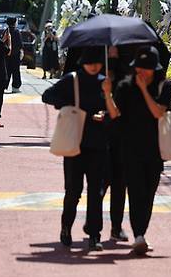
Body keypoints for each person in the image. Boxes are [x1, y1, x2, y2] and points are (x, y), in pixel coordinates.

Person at [42, 50, 114, 251]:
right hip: (75, 143)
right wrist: (72, 106)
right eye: (90, 63)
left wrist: (105, 112)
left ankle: (94, 234)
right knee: (73, 191)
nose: (94, 67)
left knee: (96, 192)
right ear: (83, 63)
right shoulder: (71, 79)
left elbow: (114, 113)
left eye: (97, 63)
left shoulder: (104, 82)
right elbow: (47, 96)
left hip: (99, 144)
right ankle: (66, 226)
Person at [104, 46, 171, 255]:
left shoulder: (163, 86)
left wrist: (144, 90)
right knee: (135, 192)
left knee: (148, 194)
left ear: (155, 69)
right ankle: (139, 235)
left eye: (147, 68)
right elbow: (115, 114)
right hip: (130, 149)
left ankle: (141, 232)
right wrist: (107, 94)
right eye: (139, 68)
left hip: (154, 150)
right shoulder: (125, 86)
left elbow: (158, 113)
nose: (142, 72)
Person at [102, 46, 128, 242]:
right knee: (99, 185)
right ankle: (94, 225)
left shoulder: (126, 77)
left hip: (121, 138)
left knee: (120, 186)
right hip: (99, 137)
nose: (113, 52)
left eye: (116, 49)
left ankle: (116, 227)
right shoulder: (94, 72)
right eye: (109, 49)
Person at [5, 17, 23, 93]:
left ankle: (4, 86)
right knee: (16, 71)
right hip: (15, 55)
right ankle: (15, 87)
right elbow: (20, 44)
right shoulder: (17, 31)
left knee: (7, 71)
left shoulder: (6, 31)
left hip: (6, 55)